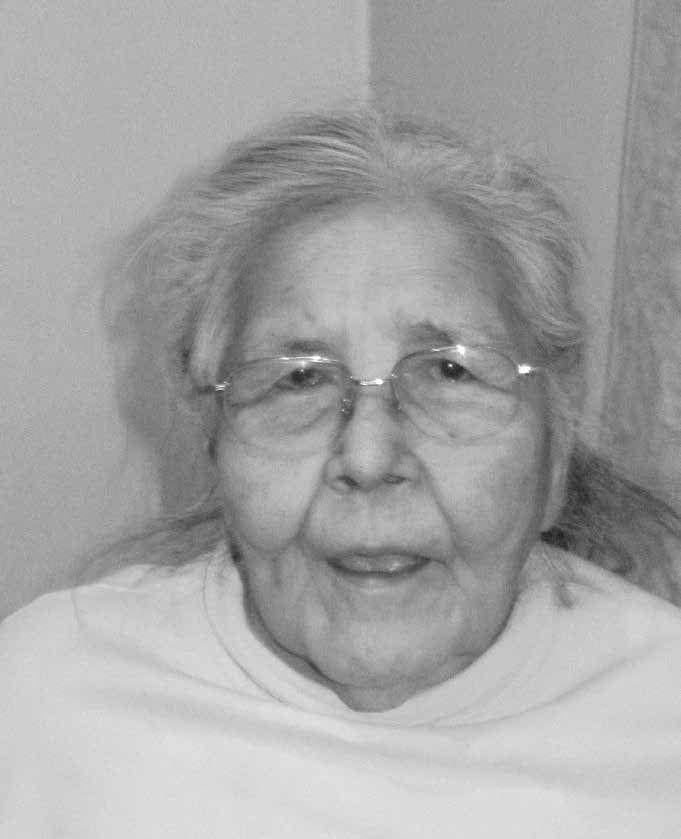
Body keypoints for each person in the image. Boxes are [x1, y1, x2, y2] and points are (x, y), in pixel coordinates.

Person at [2, 106, 681, 837]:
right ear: (214, 441)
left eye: (449, 371)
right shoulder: (47, 702)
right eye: (298, 379)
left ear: (556, 440)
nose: (367, 457)